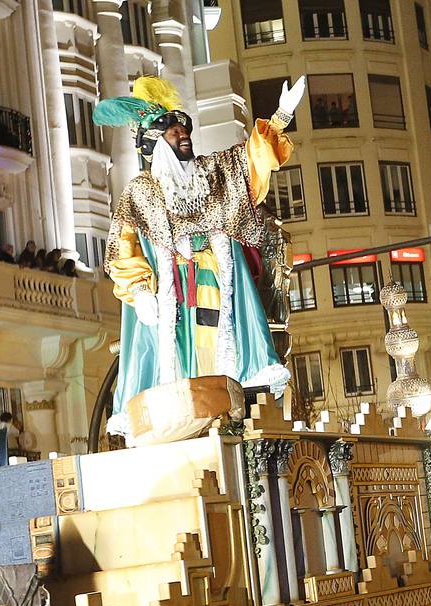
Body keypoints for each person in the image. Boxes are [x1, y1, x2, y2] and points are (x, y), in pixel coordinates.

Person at [93, 75, 298, 438]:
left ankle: (225, 423)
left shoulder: (212, 174)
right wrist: (139, 290)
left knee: (222, 365)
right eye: (173, 133)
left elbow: (250, 163)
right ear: (155, 143)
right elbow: (121, 246)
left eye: (184, 130)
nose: (183, 135)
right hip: (170, 301)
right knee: (174, 376)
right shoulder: (140, 192)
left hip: (216, 289)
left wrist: (280, 115)